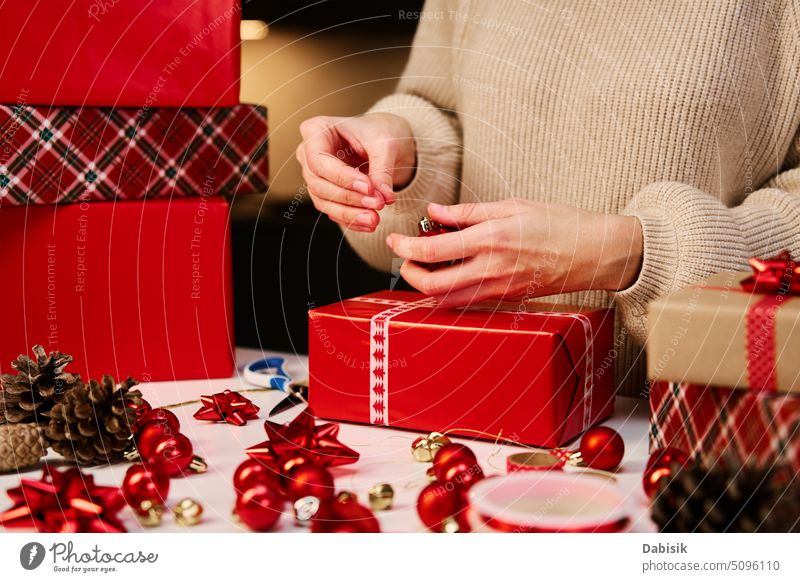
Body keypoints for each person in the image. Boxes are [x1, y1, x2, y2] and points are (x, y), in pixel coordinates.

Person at [296, 0, 800, 396]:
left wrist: (631, 254)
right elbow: (442, 114)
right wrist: (401, 158)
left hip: (696, 445)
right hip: (471, 407)